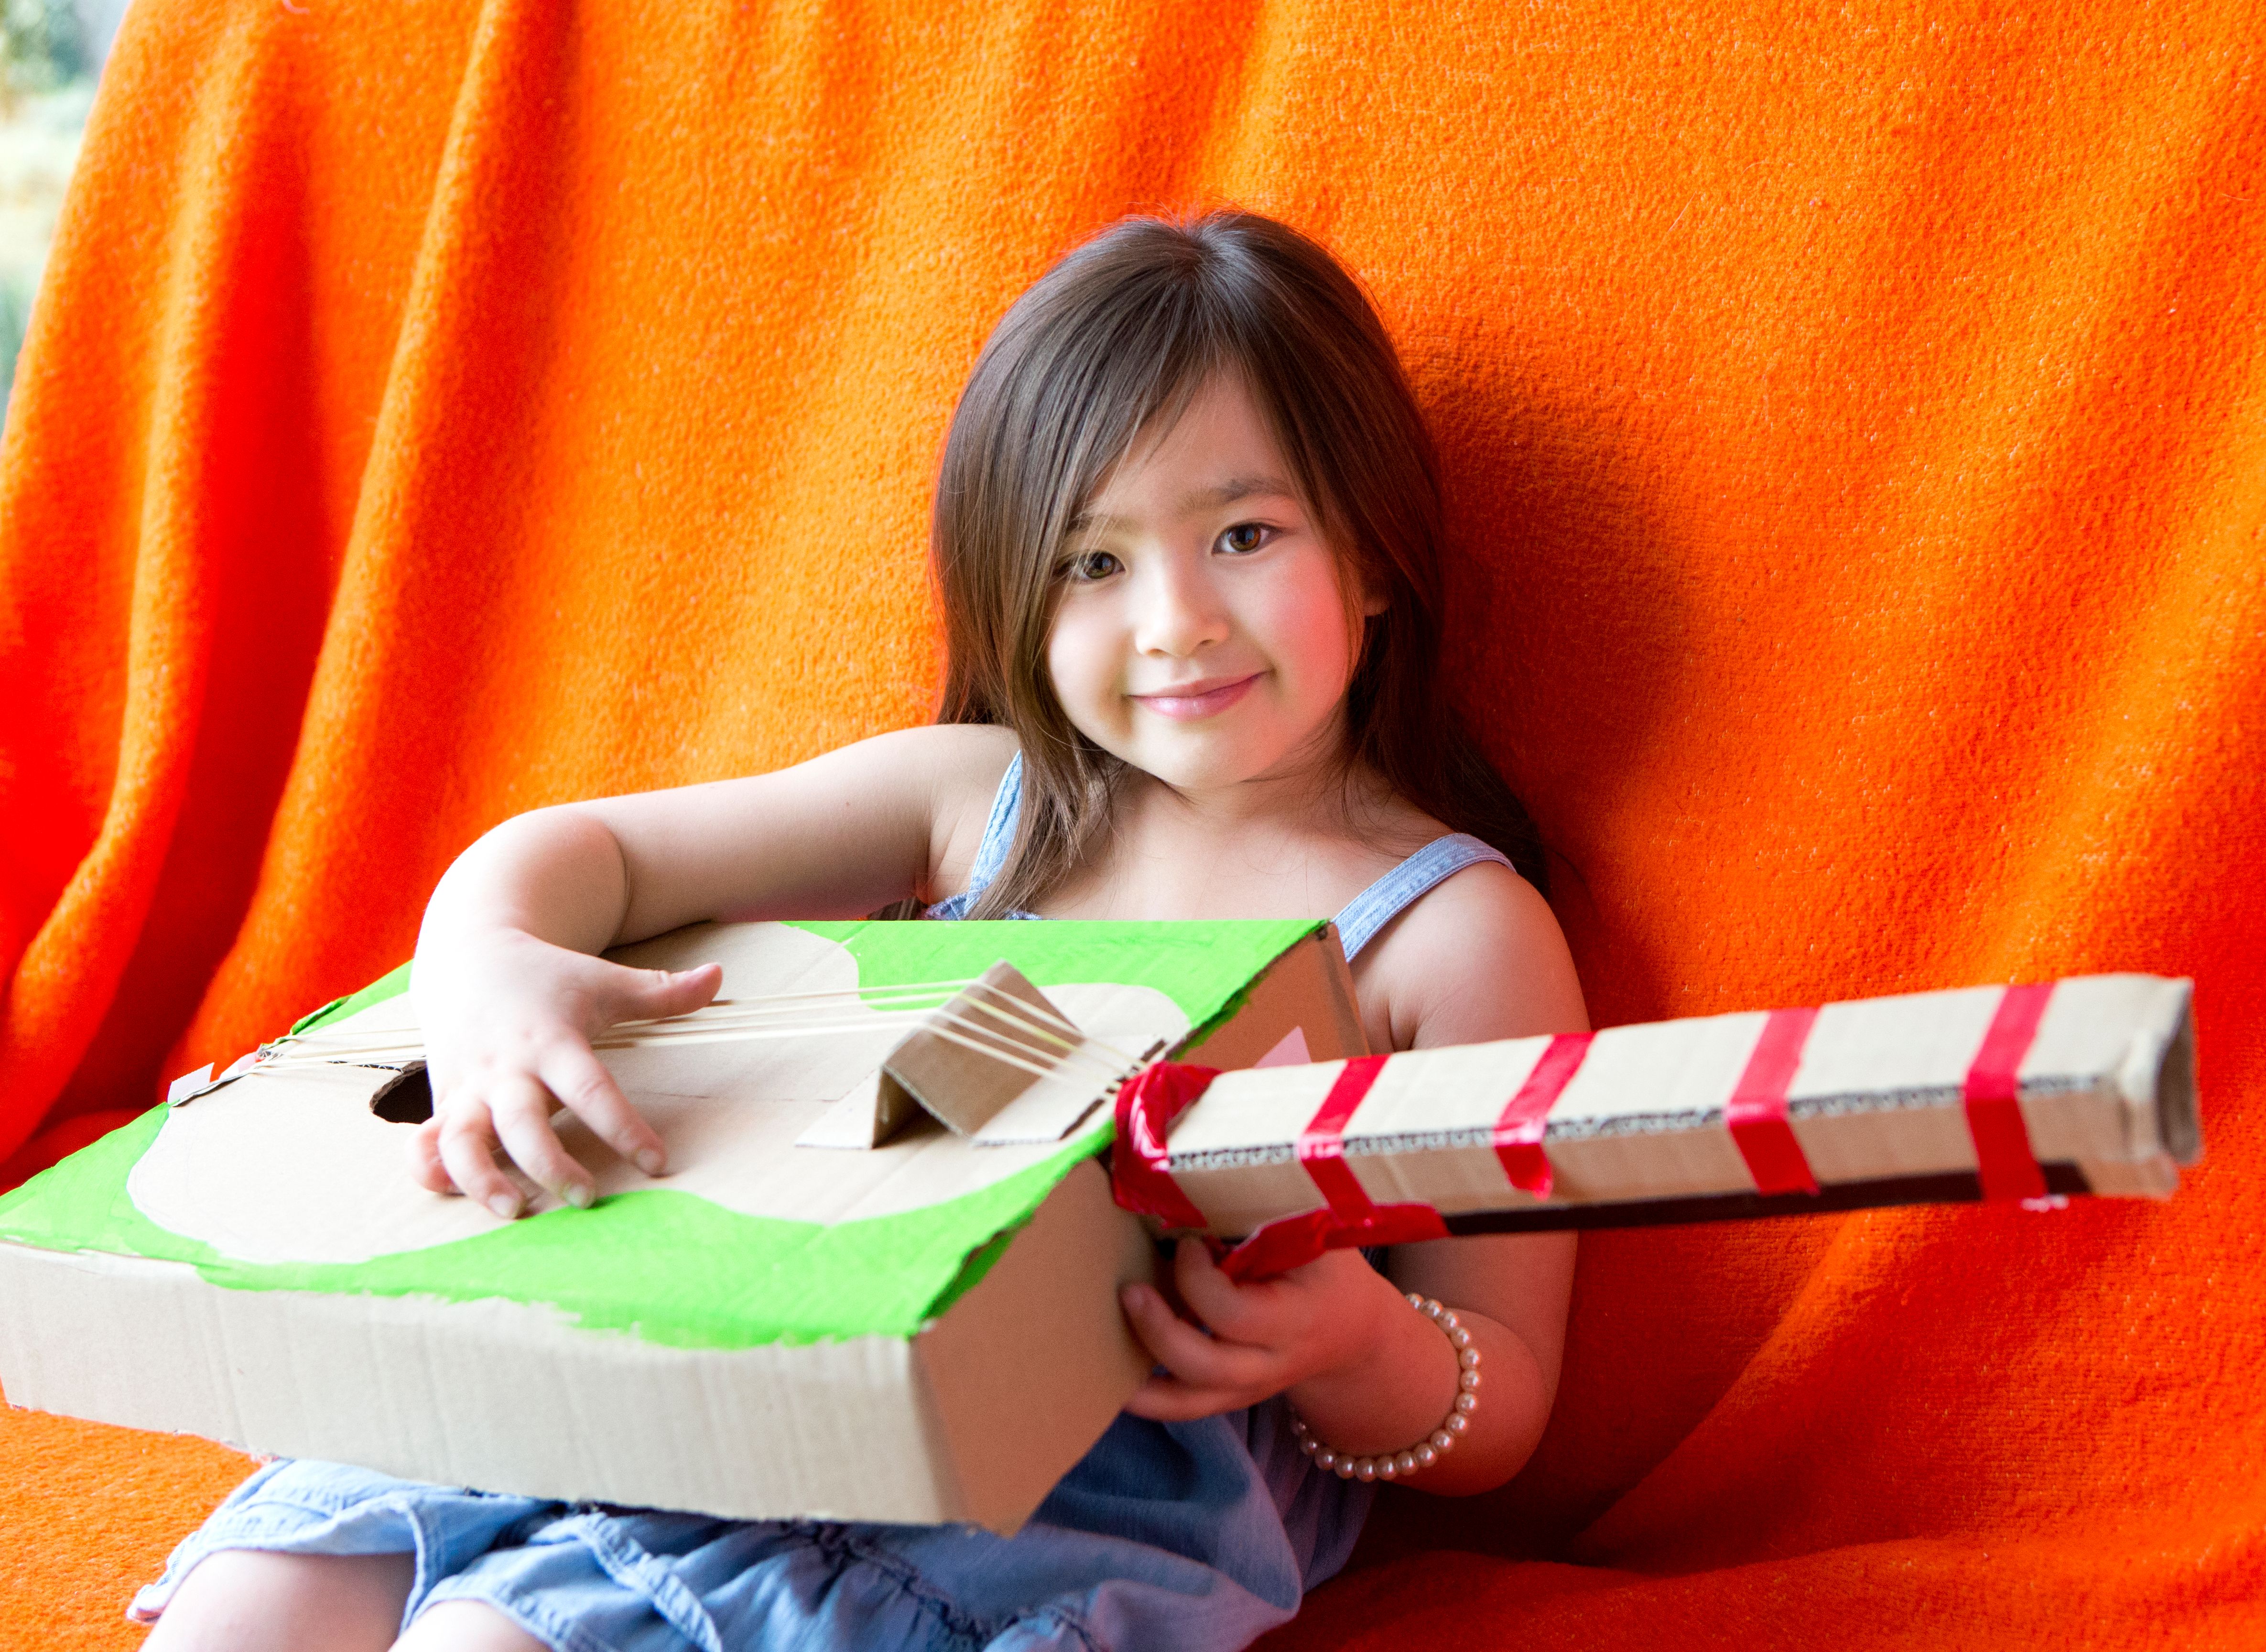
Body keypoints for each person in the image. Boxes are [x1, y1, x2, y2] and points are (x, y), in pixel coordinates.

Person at [136, 209, 1587, 1652]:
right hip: (723, 1346)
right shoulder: (979, 801)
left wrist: (1355, 1346)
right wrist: (486, 973)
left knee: (497, 1643)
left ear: (1380, 554)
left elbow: (1504, 1392)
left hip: (1029, 1495)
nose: (1178, 620)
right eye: (1094, 563)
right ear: (1018, 598)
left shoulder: (1449, 936)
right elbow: (607, 852)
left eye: (1247, 534)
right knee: (249, 1610)